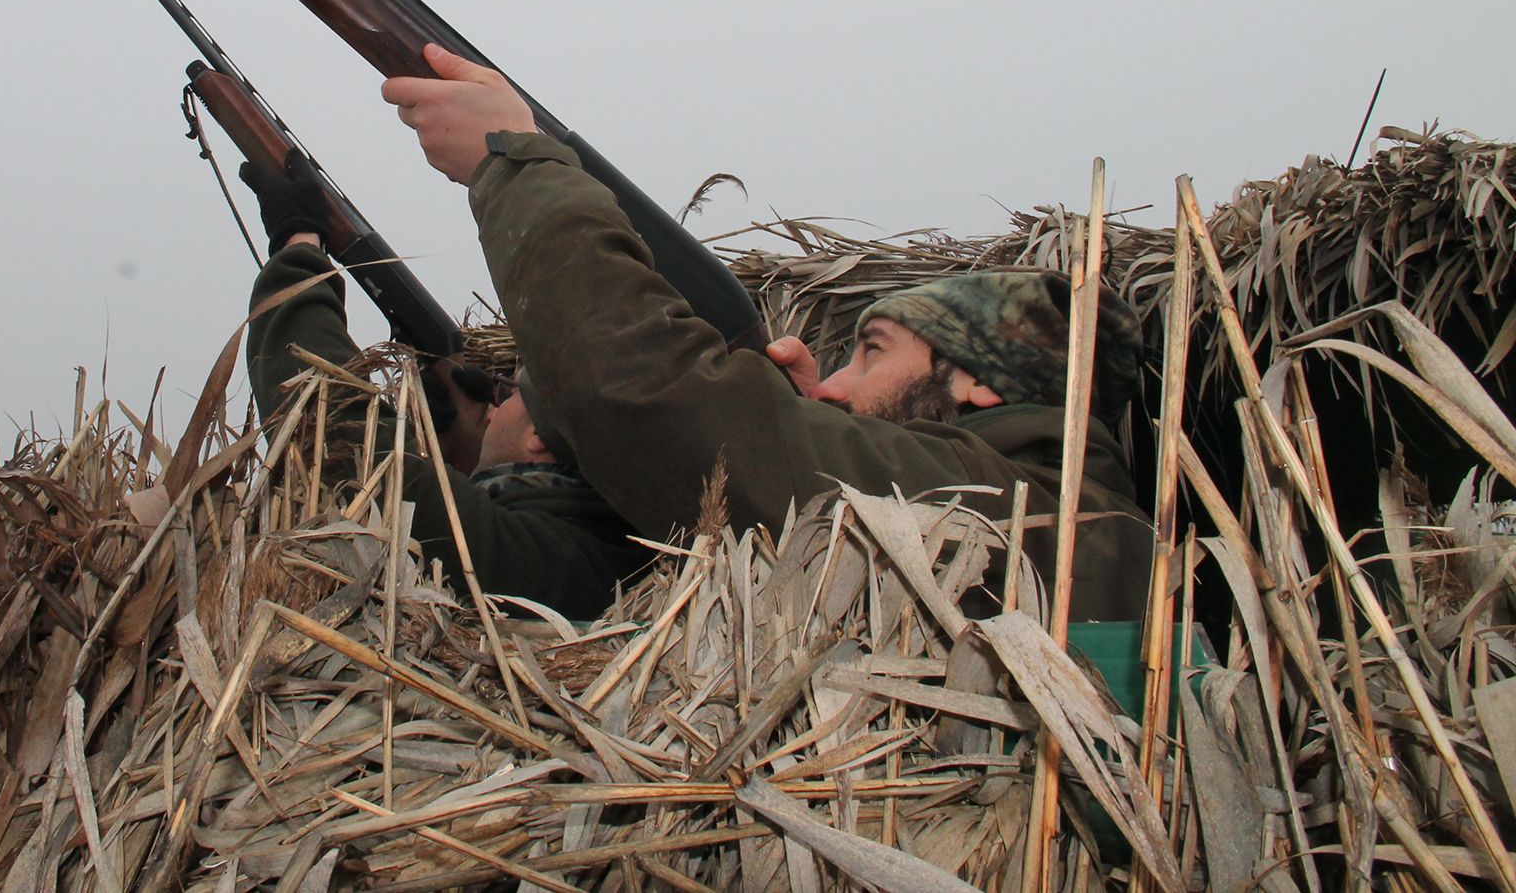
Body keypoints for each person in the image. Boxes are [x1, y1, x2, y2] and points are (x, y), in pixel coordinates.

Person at [377, 45, 1154, 623]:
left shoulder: (1012, 507)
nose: (836, 386)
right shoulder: (1064, 520)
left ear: (977, 380)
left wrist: (513, 158)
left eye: (873, 351)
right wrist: (793, 420)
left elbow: (643, 394)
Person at [240, 153, 655, 621]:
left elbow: (334, 433)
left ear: (538, 440)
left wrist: (299, 243)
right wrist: (455, 449)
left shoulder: (536, 557)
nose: (492, 404)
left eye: (511, 393)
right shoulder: (605, 551)